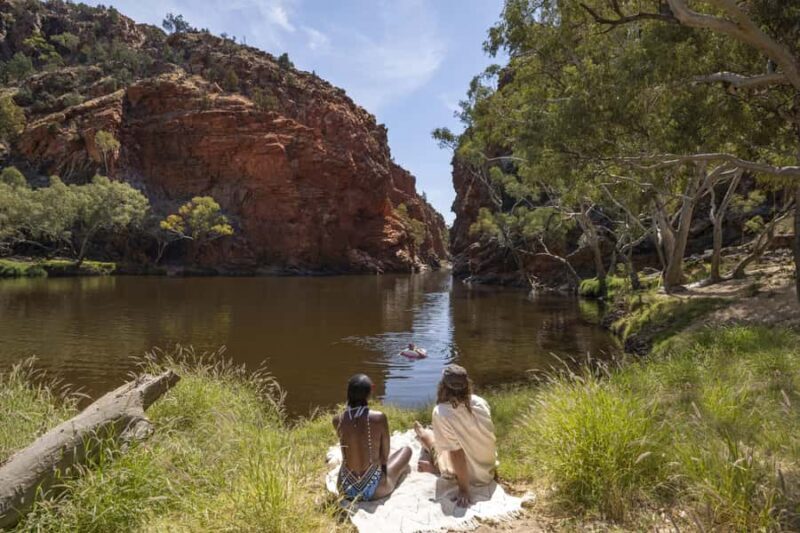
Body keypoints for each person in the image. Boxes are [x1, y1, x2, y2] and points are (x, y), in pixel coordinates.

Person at [414, 364, 497, 508]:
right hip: (487, 471)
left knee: (428, 438)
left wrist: (464, 490)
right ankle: (427, 434)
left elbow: (457, 453)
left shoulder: (441, 412)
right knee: (444, 438)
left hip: (470, 477)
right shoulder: (480, 402)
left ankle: (421, 433)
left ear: (443, 386)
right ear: (466, 385)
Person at [333, 374, 412, 501]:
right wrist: (384, 473)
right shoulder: (379, 418)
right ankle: (384, 481)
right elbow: (384, 457)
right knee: (406, 450)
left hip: (345, 488)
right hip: (376, 489)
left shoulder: (338, 420)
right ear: (370, 391)